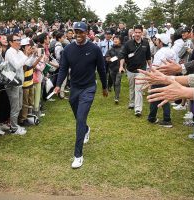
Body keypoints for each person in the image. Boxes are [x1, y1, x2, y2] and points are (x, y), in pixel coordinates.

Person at [54, 22, 108, 169]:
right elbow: (63, 68)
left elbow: (102, 69)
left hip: (89, 88)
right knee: (78, 116)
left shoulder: (95, 49)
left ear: (87, 33)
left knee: (80, 119)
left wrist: (104, 86)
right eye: (76, 32)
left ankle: (78, 155)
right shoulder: (68, 50)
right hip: (75, 88)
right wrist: (58, 85)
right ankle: (86, 129)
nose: (78, 34)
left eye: (81, 32)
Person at [120, 24, 152, 116]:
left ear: (142, 33)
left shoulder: (146, 43)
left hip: (141, 70)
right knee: (132, 87)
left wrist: (151, 67)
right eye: (136, 32)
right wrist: (121, 66)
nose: (137, 34)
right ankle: (132, 102)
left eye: (139, 32)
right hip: (130, 70)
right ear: (133, 32)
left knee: (138, 88)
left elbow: (148, 57)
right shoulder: (128, 44)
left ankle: (138, 109)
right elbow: (122, 56)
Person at [147, 33, 176, 128]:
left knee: (154, 97)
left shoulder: (160, 53)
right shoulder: (172, 51)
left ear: (161, 42)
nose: (155, 41)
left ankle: (159, 119)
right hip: (168, 78)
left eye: (157, 39)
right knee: (165, 97)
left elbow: (155, 67)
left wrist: (151, 79)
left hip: (159, 78)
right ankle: (159, 118)